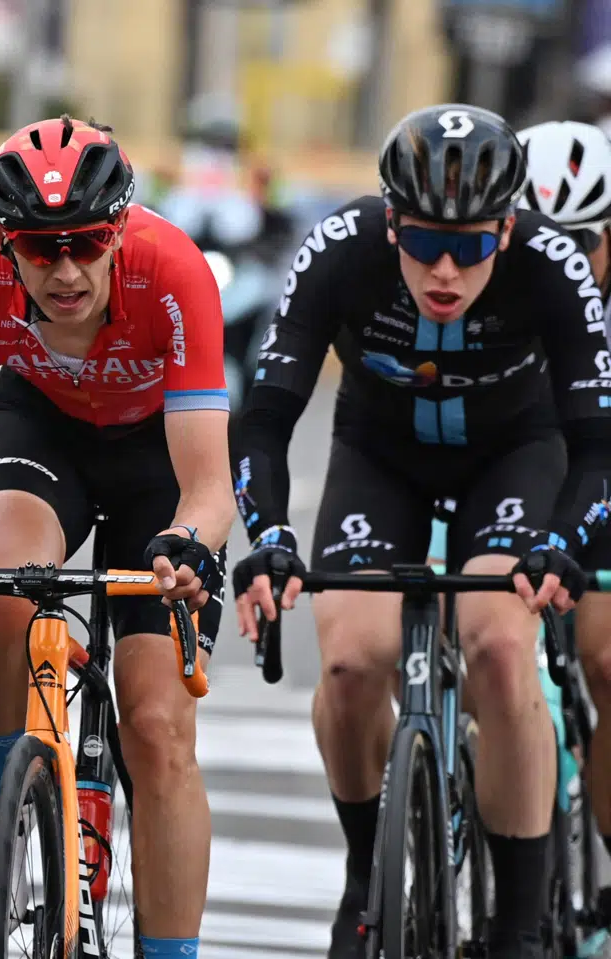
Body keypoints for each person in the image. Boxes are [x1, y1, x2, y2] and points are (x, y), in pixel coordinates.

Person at [230, 103, 611, 959]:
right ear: (391, 221)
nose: (445, 269)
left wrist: (566, 541)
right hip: (380, 455)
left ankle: (517, 923)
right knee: (350, 659)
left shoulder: (553, 262)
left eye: (472, 246)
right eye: (424, 243)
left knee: (501, 647)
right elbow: (264, 419)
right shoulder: (340, 247)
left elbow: (596, 442)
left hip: (512, 454)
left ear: (507, 230)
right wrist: (269, 538)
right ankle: (367, 873)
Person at [0, 115, 234, 955]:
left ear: (118, 229)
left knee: (156, 727)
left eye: (86, 242)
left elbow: (209, 486)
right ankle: (6, 786)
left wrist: (189, 544)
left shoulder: (174, 272)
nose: (68, 268)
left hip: (158, 456)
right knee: (4, 583)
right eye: (42, 250)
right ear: (7, 245)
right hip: (42, 429)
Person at [518, 118, 611, 913]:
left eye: (580, 242)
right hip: (507, 480)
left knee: (608, 663)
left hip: (599, 482)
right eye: (541, 236)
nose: (562, 260)